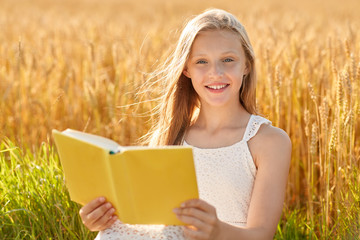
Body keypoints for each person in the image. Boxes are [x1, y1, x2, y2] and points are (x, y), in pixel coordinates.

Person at [79, 8, 291, 240]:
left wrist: (217, 231)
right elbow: (152, 220)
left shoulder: (269, 141)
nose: (216, 73)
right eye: (202, 61)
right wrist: (105, 218)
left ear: (247, 65)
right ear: (186, 69)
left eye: (228, 60)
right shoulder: (171, 136)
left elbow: (261, 235)